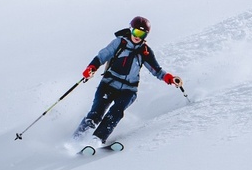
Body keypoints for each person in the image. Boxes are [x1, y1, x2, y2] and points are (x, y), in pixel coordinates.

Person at [73, 16, 183, 144]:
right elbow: (102, 56)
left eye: (142, 34)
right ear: (131, 30)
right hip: (108, 84)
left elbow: (156, 70)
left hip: (128, 90)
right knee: (96, 112)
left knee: (116, 112)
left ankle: (96, 140)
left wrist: (170, 78)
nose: (137, 37)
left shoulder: (145, 52)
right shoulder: (119, 43)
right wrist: (91, 68)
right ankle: (76, 139)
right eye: (136, 32)